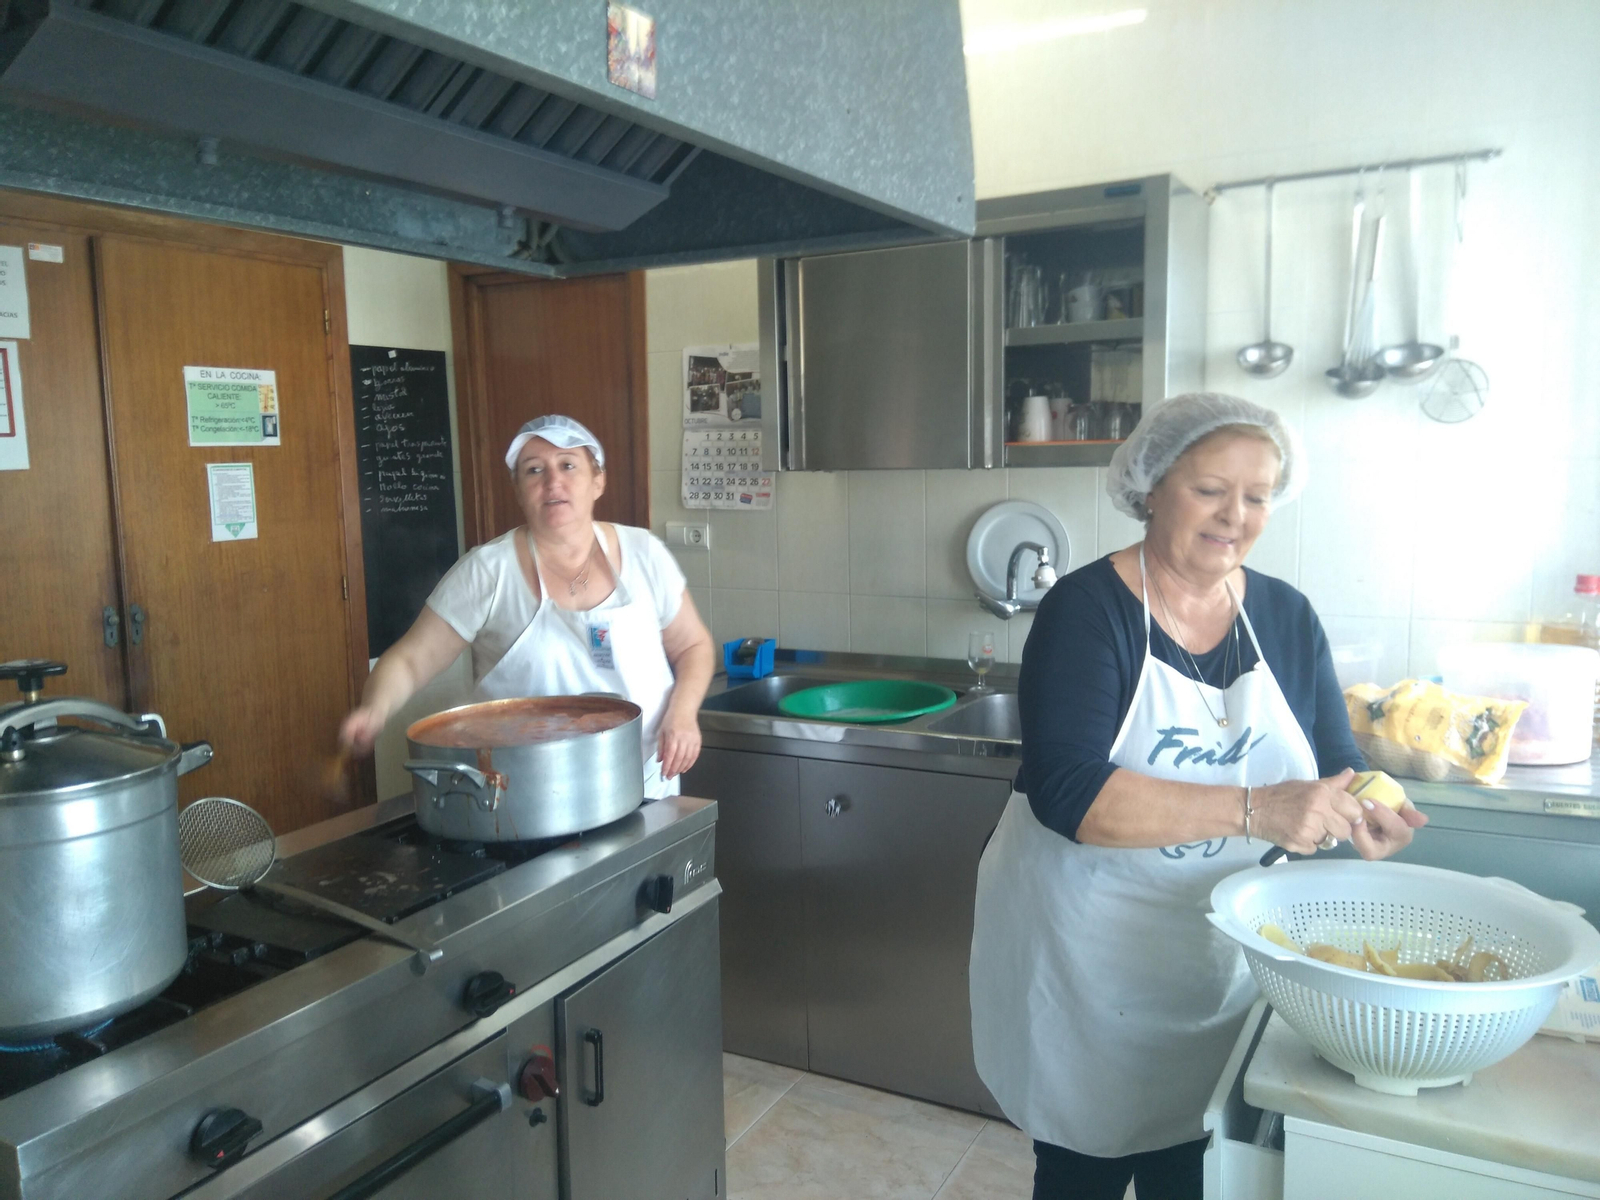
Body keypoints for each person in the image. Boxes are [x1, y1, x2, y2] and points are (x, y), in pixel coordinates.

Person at [969, 393, 1426, 1200]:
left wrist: (1370, 807)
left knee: (1200, 1164)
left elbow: (1336, 759)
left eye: (1257, 496)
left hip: (1217, 958)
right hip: (1089, 955)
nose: (1236, 516)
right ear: (1152, 486)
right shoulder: (1087, 610)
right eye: (1212, 489)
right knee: (1087, 1165)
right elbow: (1071, 795)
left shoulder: (1283, 615)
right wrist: (1259, 810)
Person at [341, 415, 714, 797]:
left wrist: (683, 715)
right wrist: (375, 708)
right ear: (518, 490)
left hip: (647, 781)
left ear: (597, 480)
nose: (553, 481)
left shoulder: (644, 553)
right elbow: (410, 660)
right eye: (534, 470)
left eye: (568, 465)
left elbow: (693, 646)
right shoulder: (488, 572)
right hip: (527, 797)